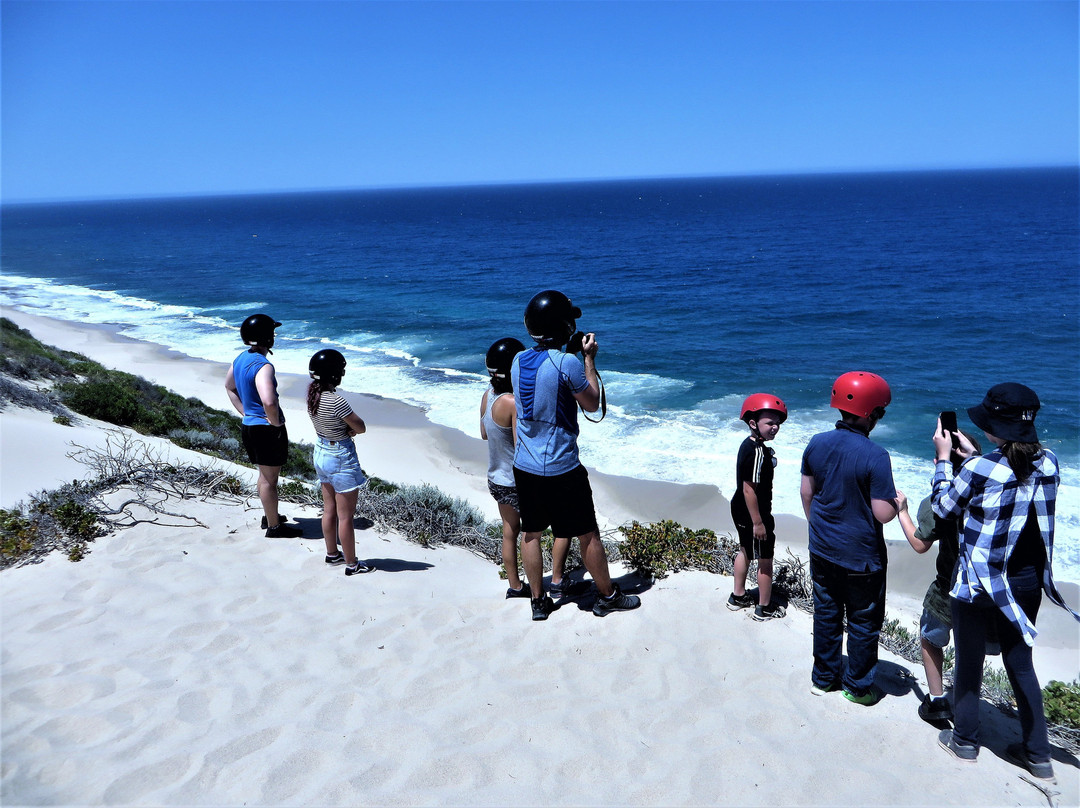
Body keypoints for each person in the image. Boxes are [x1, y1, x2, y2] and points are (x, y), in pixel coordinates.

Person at [932, 384, 1078, 782]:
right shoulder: (1050, 463)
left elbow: (943, 507)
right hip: (1028, 581)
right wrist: (976, 458)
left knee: (970, 659)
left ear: (994, 426)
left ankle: (964, 740)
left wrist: (945, 461)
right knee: (1020, 662)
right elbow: (1011, 488)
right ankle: (1038, 754)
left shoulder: (980, 470)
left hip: (981, 580)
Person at [511, 290, 641, 621]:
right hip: (561, 466)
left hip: (525, 465)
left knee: (532, 533)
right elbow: (592, 403)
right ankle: (607, 595)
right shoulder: (569, 362)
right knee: (587, 533)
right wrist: (589, 358)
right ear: (564, 325)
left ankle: (538, 602)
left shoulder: (517, 360)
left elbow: (544, 385)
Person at [800, 371, 898, 705]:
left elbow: (807, 493)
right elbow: (882, 513)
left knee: (826, 612)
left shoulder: (817, 442)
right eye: (880, 412)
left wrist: (820, 529)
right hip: (861, 556)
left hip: (822, 547)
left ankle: (823, 678)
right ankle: (857, 687)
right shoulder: (876, 456)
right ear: (870, 414)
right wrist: (900, 503)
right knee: (862, 620)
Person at [895, 430, 982, 724]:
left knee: (931, 640)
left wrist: (903, 512)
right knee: (971, 651)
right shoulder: (992, 491)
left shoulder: (940, 501)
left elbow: (920, 544)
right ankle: (966, 703)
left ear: (938, 461)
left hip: (947, 587)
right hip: (983, 589)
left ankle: (936, 701)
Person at [482, 337, 574, 598]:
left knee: (509, 532)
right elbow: (520, 442)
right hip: (517, 479)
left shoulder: (488, 396)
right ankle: (556, 578)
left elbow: (484, 433)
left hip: (496, 478)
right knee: (560, 524)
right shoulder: (512, 402)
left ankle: (515, 586)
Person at [225, 313, 302, 538]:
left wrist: (245, 412)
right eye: (272, 333)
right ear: (267, 338)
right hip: (265, 430)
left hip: (250, 426)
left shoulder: (239, 359)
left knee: (264, 475)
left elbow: (229, 387)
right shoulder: (264, 365)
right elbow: (269, 401)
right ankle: (274, 527)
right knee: (270, 479)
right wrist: (275, 422)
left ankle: (270, 517)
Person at [307, 349, 372, 576]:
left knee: (329, 509)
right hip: (340, 457)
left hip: (322, 452)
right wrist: (348, 430)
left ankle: (332, 553)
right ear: (335, 374)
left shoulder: (312, 397)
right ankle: (352, 565)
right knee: (346, 517)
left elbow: (327, 424)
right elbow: (361, 427)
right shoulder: (336, 400)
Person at [727, 393, 788, 621]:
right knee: (765, 559)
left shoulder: (748, 444)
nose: (775, 427)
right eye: (770, 423)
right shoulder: (757, 452)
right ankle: (764, 607)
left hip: (740, 508)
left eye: (777, 423)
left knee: (745, 550)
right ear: (753, 423)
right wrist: (758, 522)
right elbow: (749, 489)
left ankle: (738, 596)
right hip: (754, 512)